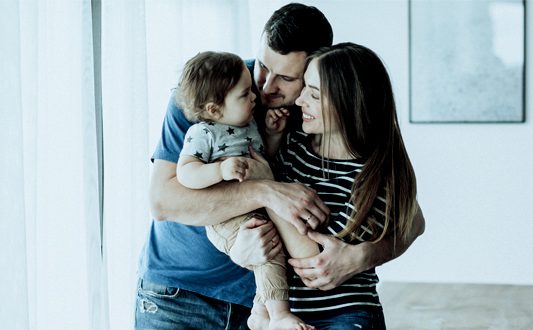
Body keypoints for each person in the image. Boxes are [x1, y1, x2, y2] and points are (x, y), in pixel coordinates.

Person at [136, 3, 425, 329]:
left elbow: (410, 217)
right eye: (262, 65)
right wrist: (266, 192)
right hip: (182, 293)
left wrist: (364, 255)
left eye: (287, 78)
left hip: (267, 306)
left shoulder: (318, 111)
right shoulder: (209, 92)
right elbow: (163, 202)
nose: (265, 86)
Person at [251, 42, 420, 329]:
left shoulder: (374, 175)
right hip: (287, 315)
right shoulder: (293, 146)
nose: (300, 100)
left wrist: (267, 190)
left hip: (345, 315)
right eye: (304, 88)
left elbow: (314, 262)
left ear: (349, 103)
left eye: (314, 95)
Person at [174, 50, 313, 330]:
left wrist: (272, 135)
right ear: (214, 109)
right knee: (270, 249)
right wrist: (219, 170)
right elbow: (185, 172)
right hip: (225, 219)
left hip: (253, 209)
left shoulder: (247, 123)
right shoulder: (203, 133)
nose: (255, 97)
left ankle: (261, 311)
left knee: (275, 248)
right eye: (245, 93)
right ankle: (278, 315)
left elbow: (263, 162)